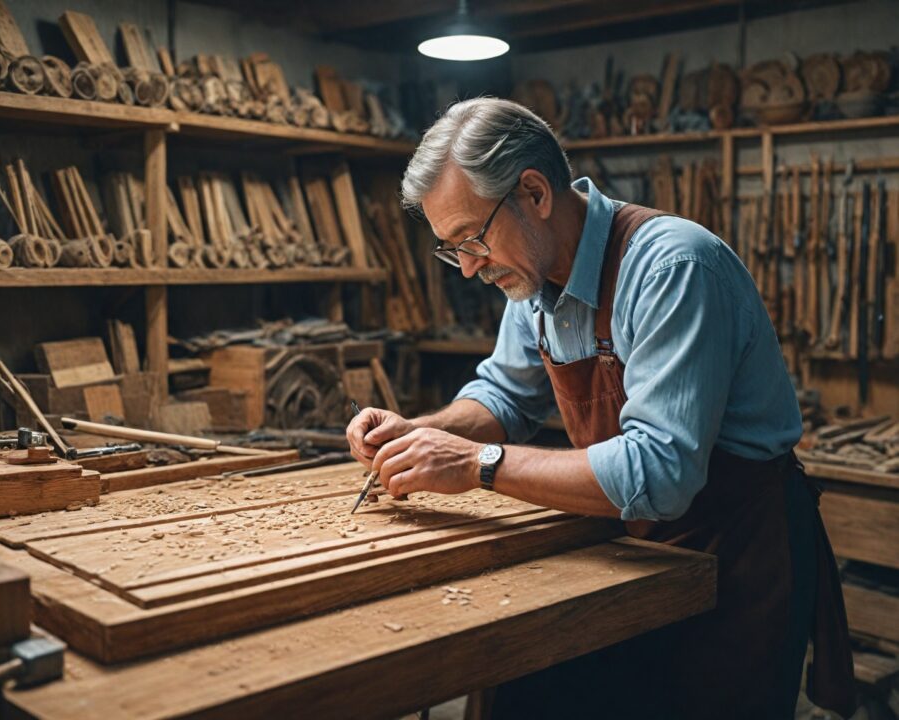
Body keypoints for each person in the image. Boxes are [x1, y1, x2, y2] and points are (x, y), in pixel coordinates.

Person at [346, 98, 853, 719]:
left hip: (735, 552)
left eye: (472, 239)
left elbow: (659, 473)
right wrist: (418, 434)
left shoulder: (673, 267)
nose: (471, 268)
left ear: (534, 193)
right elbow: (504, 397)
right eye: (453, 250)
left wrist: (476, 463)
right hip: (634, 545)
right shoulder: (530, 279)